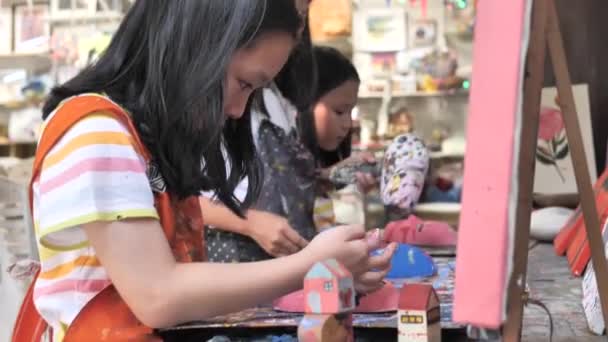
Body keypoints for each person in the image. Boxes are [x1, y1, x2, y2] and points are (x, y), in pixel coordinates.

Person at [24, 1, 395, 340]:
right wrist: (310, 264)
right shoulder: (96, 131)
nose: (237, 111)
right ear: (198, 45)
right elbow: (158, 294)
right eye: (244, 84)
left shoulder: (147, 138)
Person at [298, 46, 377, 229]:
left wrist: (347, 182)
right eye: (340, 111)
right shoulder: (280, 163)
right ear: (303, 104)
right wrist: (334, 173)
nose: (347, 124)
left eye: (350, 112)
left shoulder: (322, 174)